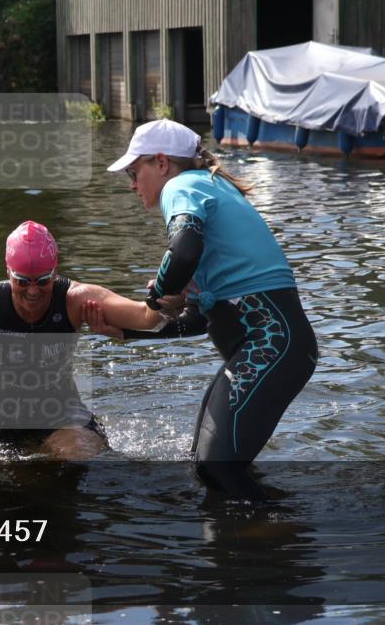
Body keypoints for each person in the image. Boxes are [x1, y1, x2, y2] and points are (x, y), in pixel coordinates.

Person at [104, 118, 318, 498]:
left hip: (271, 345)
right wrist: (131, 332)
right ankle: (263, 542)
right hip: (275, 348)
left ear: (162, 163)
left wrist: (156, 298)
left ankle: (283, 538)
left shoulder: (182, 186)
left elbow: (183, 250)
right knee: (206, 465)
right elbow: (199, 322)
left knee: (215, 468)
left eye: (134, 173)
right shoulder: (210, 188)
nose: (133, 185)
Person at [0, 220, 170, 460]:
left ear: (55, 272)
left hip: (59, 410)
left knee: (79, 456)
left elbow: (147, 317)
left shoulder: (76, 299)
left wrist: (169, 294)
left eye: (44, 281)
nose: (33, 291)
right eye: (23, 281)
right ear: (8, 272)